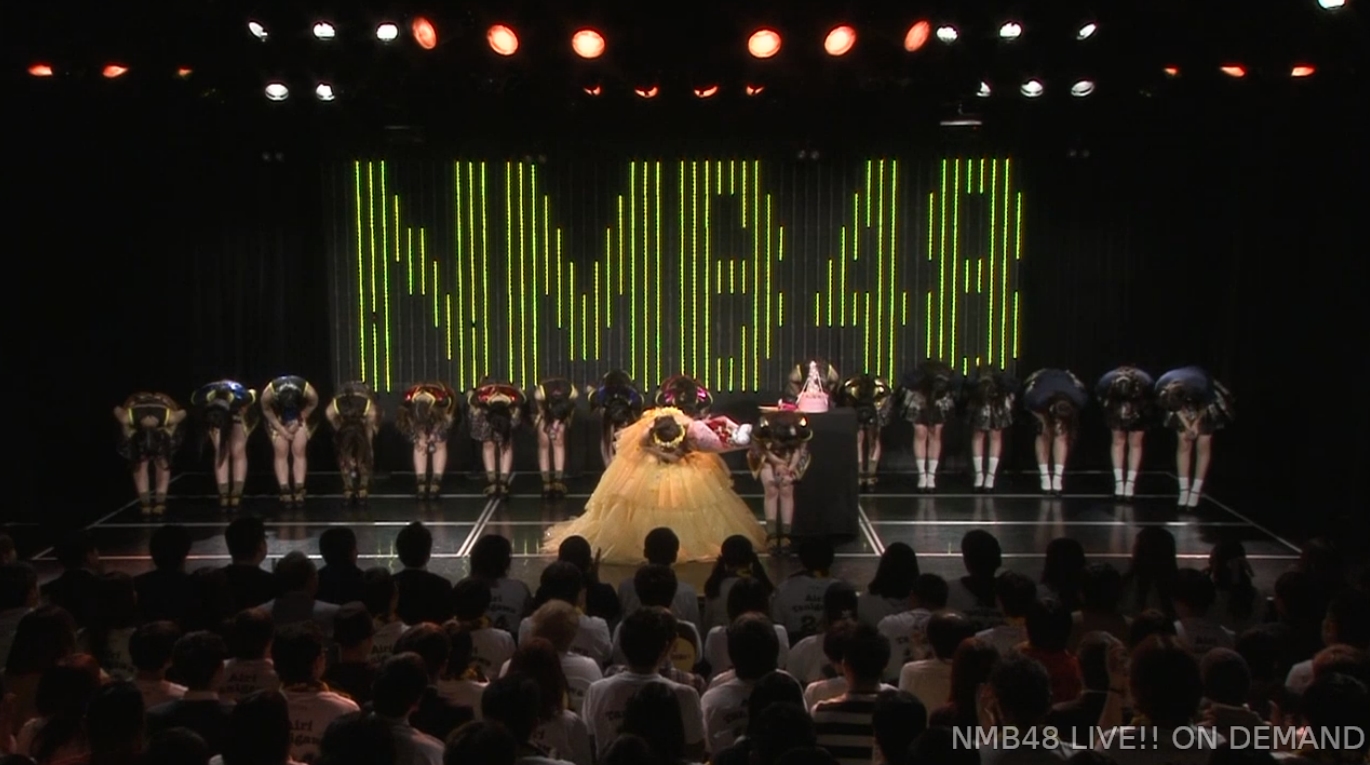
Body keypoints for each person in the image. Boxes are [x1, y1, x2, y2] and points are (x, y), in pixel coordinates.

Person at [542, 404, 763, 564]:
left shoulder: (691, 431)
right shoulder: (648, 431)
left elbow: (686, 451)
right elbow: (644, 447)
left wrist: (674, 455)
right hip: (652, 459)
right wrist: (661, 453)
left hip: (682, 457)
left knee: (688, 496)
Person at [1155, 366, 1235, 508]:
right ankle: (1184, 490)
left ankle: (1196, 490)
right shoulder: (1161, 386)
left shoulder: (1200, 385)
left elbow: (1207, 404)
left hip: (1204, 401)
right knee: (1183, 442)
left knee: (1204, 442)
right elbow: (1175, 408)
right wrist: (1187, 425)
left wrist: (1196, 424)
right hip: (1180, 397)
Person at [747, 410, 813, 548]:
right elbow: (760, 448)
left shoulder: (800, 425)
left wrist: (790, 468)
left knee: (786, 489)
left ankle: (786, 534)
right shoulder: (764, 425)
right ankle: (771, 533)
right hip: (766, 454)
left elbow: (800, 448)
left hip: (791, 456)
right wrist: (777, 463)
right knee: (771, 489)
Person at [114, 392, 187, 515]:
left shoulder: (170, 417)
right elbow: (116, 409)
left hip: (162, 413)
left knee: (162, 462)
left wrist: (169, 431)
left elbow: (183, 412)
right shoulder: (127, 417)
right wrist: (128, 433)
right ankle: (145, 502)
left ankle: (160, 501)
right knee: (140, 463)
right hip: (137, 414)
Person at [190, 379, 258, 509]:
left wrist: (242, 412)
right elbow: (195, 400)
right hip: (215, 413)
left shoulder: (242, 397)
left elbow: (252, 394)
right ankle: (223, 493)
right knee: (221, 451)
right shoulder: (202, 396)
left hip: (240, 411)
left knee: (238, 450)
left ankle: (237, 491)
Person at [1021, 368, 1088, 495]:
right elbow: (1028, 405)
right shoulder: (1035, 399)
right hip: (1041, 382)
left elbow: (1082, 396)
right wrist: (1043, 420)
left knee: (1061, 435)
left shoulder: (1079, 398)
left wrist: (1060, 424)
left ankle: (1058, 478)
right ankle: (1044, 476)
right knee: (1043, 434)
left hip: (1065, 381)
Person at [899, 361, 960, 492]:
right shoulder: (917, 378)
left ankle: (931, 476)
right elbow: (906, 381)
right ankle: (922, 475)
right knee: (920, 433)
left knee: (935, 433)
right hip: (919, 399)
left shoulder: (946, 381)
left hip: (939, 401)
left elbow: (956, 384)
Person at [259, 375, 320, 506]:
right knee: (281, 450)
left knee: (299, 449)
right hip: (277, 415)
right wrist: (281, 429)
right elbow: (266, 410)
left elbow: (313, 403)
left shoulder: (308, 391)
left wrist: (299, 420)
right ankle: (284, 489)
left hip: (300, 412)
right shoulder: (268, 394)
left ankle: (299, 488)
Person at [1095, 365, 1154, 499]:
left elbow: (1150, 399)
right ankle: (1119, 483)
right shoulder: (1106, 381)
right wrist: (1113, 411)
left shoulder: (1145, 381)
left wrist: (1137, 411)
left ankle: (1130, 483)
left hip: (1139, 406)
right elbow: (1100, 397)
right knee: (1118, 441)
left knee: (1135, 443)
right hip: (1114, 404)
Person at [396, 381, 459, 499]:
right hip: (415, 415)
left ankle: (436, 482)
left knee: (439, 443)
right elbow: (407, 423)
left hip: (442, 413)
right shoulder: (407, 403)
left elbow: (447, 420)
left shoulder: (444, 402)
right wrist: (418, 438)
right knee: (420, 444)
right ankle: (421, 482)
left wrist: (435, 434)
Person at [469, 379, 526, 497]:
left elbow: (516, 418)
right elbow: (473, 411)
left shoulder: (516, 400)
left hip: (506, 411)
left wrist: (514, 414)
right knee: (488, 444)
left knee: (505, 444)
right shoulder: (478, 399)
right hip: (484, 412)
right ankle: (492, 481)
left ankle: (503, 481)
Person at [963, 366, 1016, 493]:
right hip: (978, 401)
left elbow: (1013, 389)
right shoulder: (973, 386)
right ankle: (979, 475)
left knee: (995, 436)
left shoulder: (1002, 386)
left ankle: (990, 477)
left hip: (998, 403)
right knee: (978, 435)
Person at [326, 382, 381, 503]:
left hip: (361, 419)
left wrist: (367, 438)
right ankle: (352, 486)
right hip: (347, 422)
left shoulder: (369, 408)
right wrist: (340, 428)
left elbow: (370, 426)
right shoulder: (339, 404)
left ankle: (359, 486)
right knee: (348, 452)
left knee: (362, 450)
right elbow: (329, 413)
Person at [839, 373, 893, 490]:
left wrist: (877, 418)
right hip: (856, 407)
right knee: (859, 438)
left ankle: (871, 474)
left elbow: (885, 406)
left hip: (878, 408)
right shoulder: (850, 389)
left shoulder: (882, 391)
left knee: (874, 438)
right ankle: (859, 474)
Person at [533, 377, 579, 499]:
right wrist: (545, 420)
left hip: (563, 410)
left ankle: (558, 481)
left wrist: (559, 423)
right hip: (545, 410)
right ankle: (546, 482)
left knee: (558, 443)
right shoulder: (540, 394)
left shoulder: (572, 393)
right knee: (544, 444)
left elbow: (569, 409)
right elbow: (540, 409)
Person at [587, 370, 644, 467]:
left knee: (608, 442)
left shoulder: (602, 395)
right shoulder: (633, 396)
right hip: (618, 423)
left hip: (612, 423)